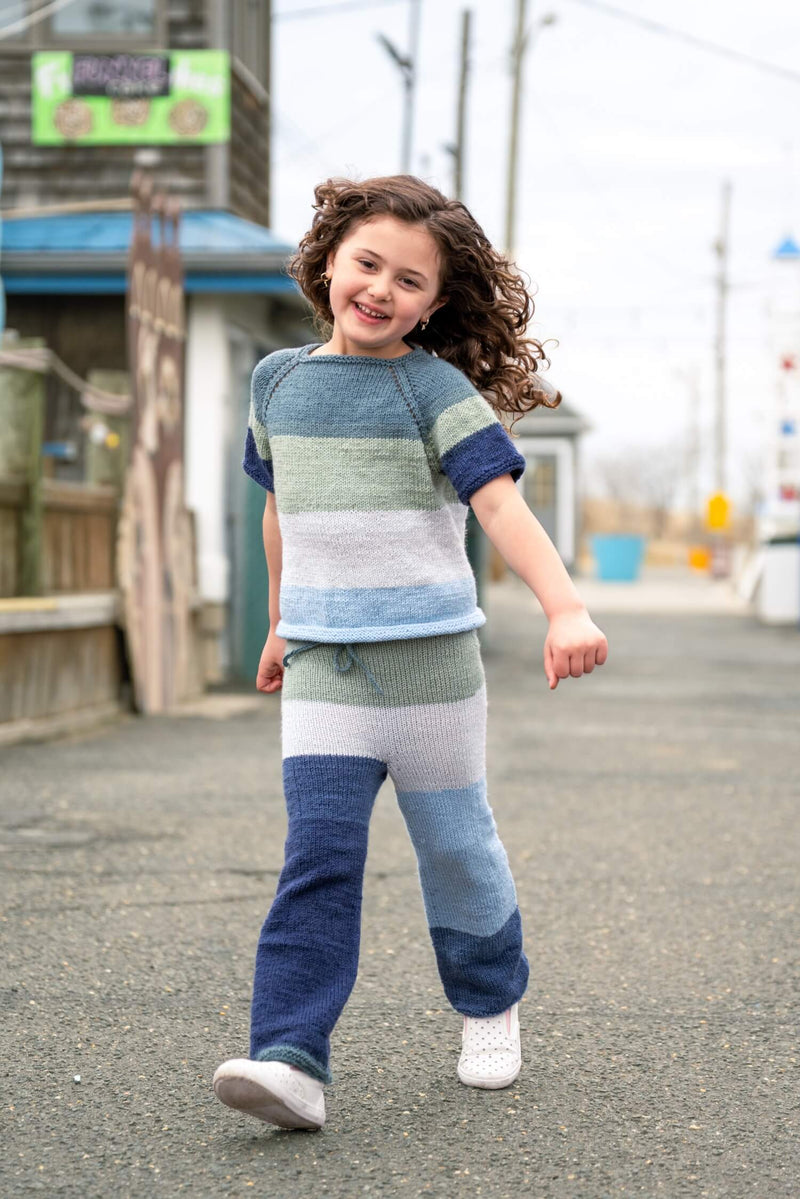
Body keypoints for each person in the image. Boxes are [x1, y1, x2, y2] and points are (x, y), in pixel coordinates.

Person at [213, 174, 608, 1131]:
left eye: (410, 280)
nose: (381, 289)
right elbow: (282, 512)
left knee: (456, 846)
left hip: (432, 666)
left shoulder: (433, 387)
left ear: (434, 303)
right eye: (367, 263)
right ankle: (289, 1058)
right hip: (325, 667)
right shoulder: (277, 382)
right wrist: (279, 622)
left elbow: (500, 506)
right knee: (317, 856)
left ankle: (489, 1002)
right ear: (328, 262)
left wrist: (564, 608)